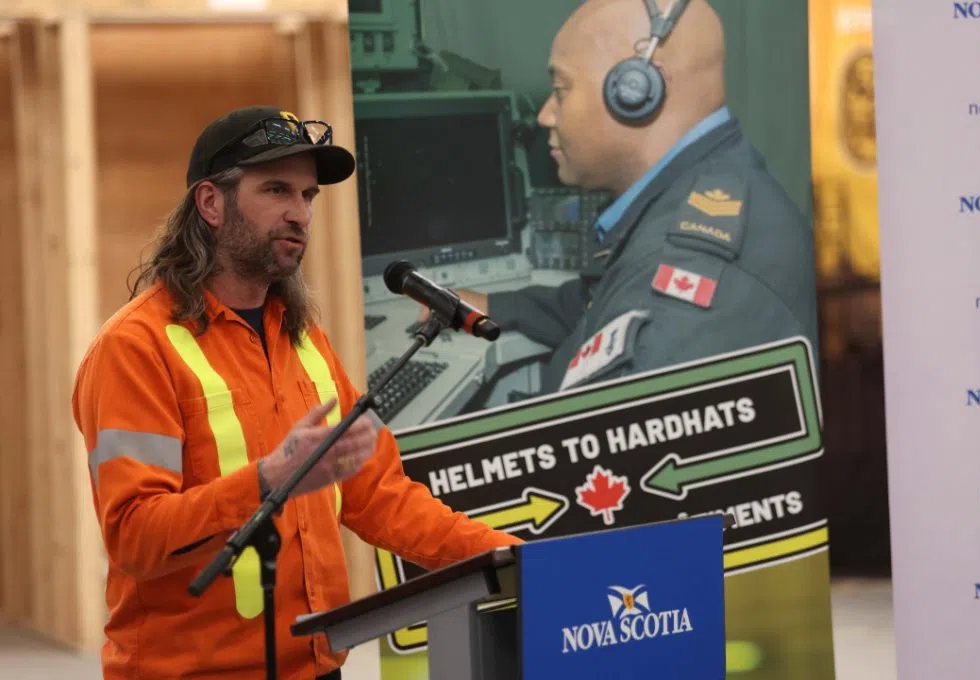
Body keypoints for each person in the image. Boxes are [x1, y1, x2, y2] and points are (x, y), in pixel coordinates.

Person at [72, 105, 523, 680]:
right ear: (211, 203)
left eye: (308, 196)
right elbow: (134, 537)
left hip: (315, 665)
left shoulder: (303, 339)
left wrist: (511, 558)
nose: (299, 213)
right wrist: (264, 481)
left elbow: (380, 496)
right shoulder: (135, 349)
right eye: (277, 190)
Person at [426, 0, 818, 394]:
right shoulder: (705, 187)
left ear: (635, 92)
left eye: (561, 90)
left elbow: (585, 448)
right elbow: (601, 307)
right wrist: (494, 308)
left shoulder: (686, 290)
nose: (545, 114)